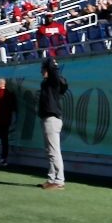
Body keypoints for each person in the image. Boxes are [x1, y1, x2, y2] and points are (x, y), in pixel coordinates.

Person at [39, 57, 68, 190]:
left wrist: (50, 62)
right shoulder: (48, 83)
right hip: (48, 118)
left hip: (52, 118)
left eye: (43, 69)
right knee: (50, 151)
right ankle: (52, 178)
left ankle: (59, 180)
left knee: (54, 151)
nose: (41, 72)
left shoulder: (53, 82)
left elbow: (54, 73)